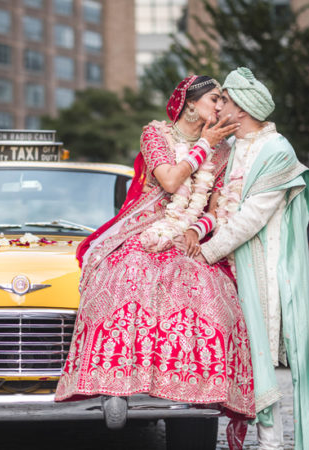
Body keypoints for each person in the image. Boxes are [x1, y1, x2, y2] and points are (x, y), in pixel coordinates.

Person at [55, 75, 253, 448]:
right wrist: (205, 146)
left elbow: (217, 209)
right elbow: (169, 180)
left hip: (188, 236)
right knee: (128, 273)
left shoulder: (225, 152)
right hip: (144, 230)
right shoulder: (156, 135)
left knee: (209, 289)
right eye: (214, 99)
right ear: (190, 104)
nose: (220, 107)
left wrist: (196, 231)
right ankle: (125, 378)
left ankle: (197, 386)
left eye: (223, 101)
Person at [195, 67, 309, 449]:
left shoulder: (277, 151)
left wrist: (205, 251)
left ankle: (271, 442)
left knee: (260, 358)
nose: (218, 105)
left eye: (223, 100)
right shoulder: (229, 147)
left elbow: (250, 218)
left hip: (261, 268)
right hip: (226, 268)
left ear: (240, 108)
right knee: (238, 360)